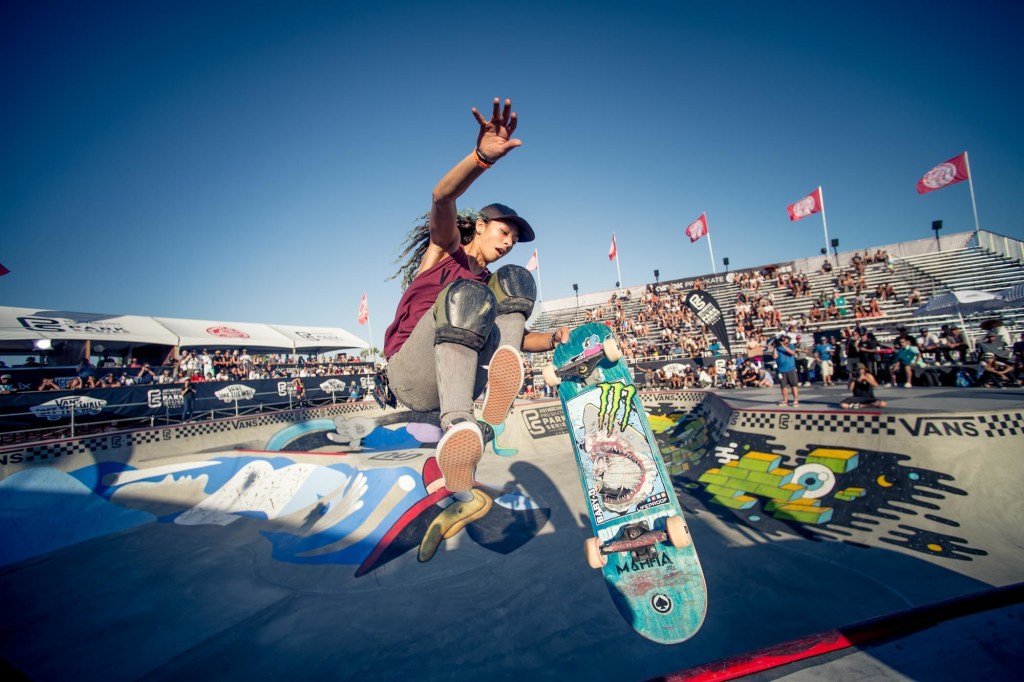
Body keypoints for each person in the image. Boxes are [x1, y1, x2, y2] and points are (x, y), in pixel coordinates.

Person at [382, 98, 568, 498]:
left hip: (462, 378)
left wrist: (555, 340)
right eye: (504, 233)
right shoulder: (445, 250)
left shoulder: (491, 282)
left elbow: (516, 335)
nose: (508, 244)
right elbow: (441, 198)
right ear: (480, 226)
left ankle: (469, 435)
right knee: (469, 294)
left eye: (514, 241)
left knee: (514, 281)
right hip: (413, 375)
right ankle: (458, 424)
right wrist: (482, 157)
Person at [773, 335, 800, 406]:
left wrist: (783, 346)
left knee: (794, 385)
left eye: (785, 339)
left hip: (791, 369)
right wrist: (775, 347)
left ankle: (796, 400)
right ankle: (785, 400)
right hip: (781, 370)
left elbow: (792, 353)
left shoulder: (791, 346)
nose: (783, 341)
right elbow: (774, 356)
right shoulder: (778, 348)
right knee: (783, 386)